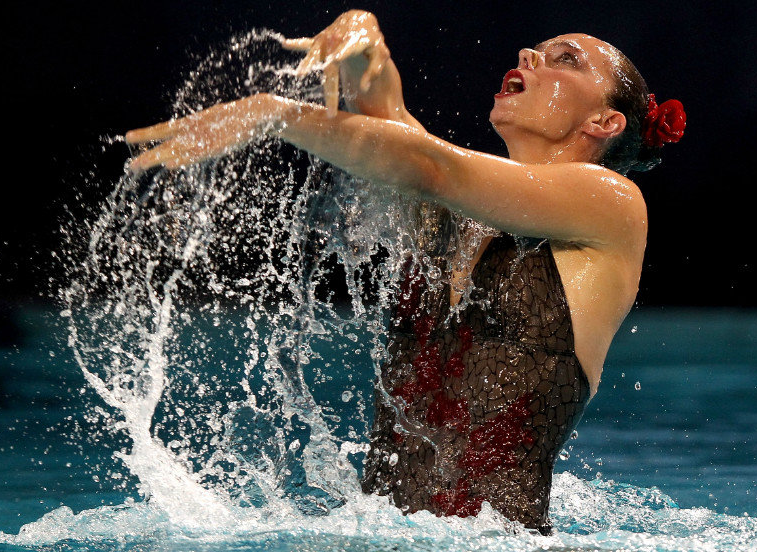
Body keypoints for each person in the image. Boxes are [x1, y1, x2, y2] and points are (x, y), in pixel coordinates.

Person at [126, 10, 685, 533]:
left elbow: (426, 165)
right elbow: (388, 131)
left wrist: (277, 115)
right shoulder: (452, 218)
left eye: (565, 60)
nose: (529, 57)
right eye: (535, 50)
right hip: (379, 533)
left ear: (604, 121)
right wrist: (360, 33)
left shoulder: (613, 205)